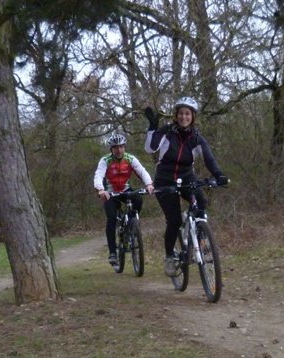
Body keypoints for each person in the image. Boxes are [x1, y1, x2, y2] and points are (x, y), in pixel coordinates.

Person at [144, 97, 229, 276]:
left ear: (192, 117)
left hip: (186, 177)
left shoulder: (196, 137)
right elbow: (150, 148)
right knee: (173, 221)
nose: (184, 117)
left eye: (187, 113)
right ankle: (169, 257)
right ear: (176, 115)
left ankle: (201, 237)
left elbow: (209, 159)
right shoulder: (167, 132)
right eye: (181, 113)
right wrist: (153, 127)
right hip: (165, 180)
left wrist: (219, 175)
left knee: (201, 201)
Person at [94, 133, 154, 267]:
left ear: (124, 147)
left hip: (126, 190)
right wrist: (100, 189)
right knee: (111, 219)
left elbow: (142, 171)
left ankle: (133, 223)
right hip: (110, 192)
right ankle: (112, 253)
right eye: (115, 147)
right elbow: (98, 175)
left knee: (138, 198)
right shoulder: (105, 160)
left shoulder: (130, 159)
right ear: (111, 149)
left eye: (121, 147)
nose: (118, 150)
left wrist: (149, 184)